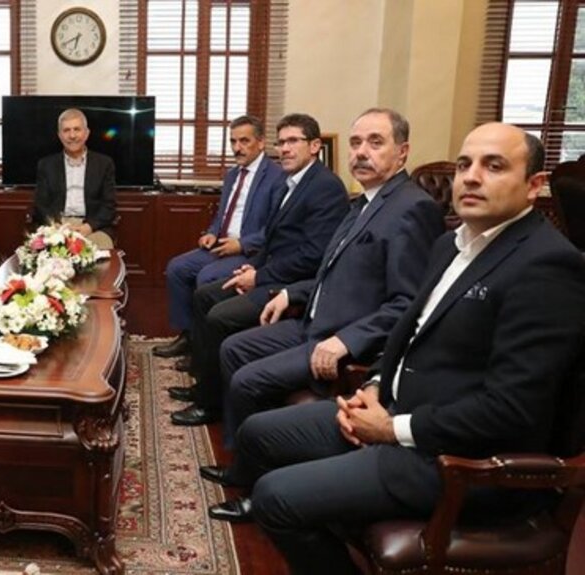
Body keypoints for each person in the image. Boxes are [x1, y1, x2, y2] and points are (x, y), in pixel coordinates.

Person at [219, 123, 585, 575]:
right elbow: (408, 334)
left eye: (494, 166)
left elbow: (511, 410)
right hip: (394, 409)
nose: (471, 177)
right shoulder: (450, 245)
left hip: (458, 459)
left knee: (275, 497)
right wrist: (373, 386)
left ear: (533, 185)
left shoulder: (547, 265)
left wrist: (392, 429)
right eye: (464, 165)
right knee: (257, 432)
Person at [201, 108, 445, 503]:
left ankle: (251, 485)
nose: (361, 152)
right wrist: (291, 294)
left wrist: (347, 340)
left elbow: (410, 303)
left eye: (375, 142)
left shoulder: (412, 208)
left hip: (341, 338)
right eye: (356, 142)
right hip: (311, 322)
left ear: (402, 152)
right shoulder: (363, 202)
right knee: (233, 348)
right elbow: (329, 272)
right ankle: (242, 459)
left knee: (247, 379)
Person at [169, 113, 349, 426]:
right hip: (268, 272)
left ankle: (211, 406)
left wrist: (259, 277)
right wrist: (250, 267)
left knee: (219, 316)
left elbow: (313, 256)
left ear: (315, 146)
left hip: (292, 285)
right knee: (204, 295)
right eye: (282, 142)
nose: (285, 149)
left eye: (293, 141)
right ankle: (205, 387)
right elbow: (272, 239)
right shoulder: (291, 182)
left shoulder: (325, 187)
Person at [153, 115, 285, 359]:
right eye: (233, 141)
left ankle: (204, 351)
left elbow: (275, 228)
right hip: (220, 245)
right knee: (177, 268)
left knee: (206, 277)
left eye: (244, 141)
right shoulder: (232, 174)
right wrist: (212, 233)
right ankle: (188, 336)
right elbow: (222, 215)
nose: (237, 148)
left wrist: (242, 244)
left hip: (251, 252)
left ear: (260, 143)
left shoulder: (277, 177)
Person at [33, 108, 117, 249]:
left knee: (96, 252)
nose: (72, 135)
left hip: (92, 228)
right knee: (45, 252)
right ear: (60, 135)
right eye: (66, 130)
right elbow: (41, 205)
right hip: (57, 227)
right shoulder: (46, 165)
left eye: (77, 129)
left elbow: (109, 205)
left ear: (86, 133)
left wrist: (88, 227)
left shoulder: (104, 164)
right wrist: (57, 227)